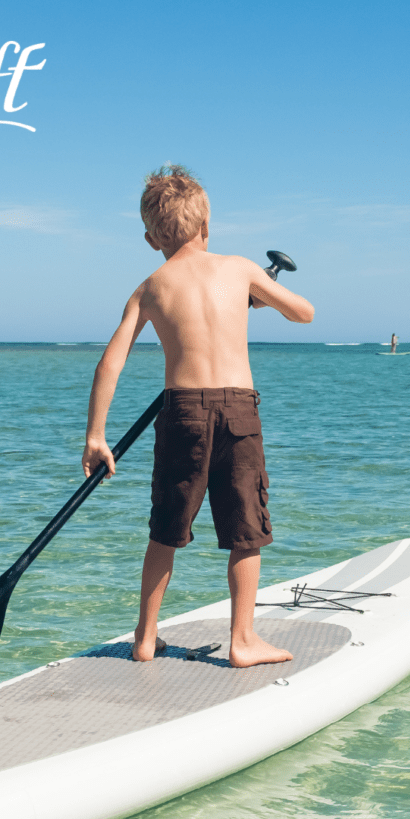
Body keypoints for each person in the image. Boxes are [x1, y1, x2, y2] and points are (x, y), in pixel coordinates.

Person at [82, 166, 314, 666]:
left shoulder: (150, 287)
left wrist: (96, 437)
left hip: (181, 413)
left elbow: (111, 361)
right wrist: (261, 297)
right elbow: (305, 312)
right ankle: (242, 641)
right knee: (246, 530)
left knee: (165, 529)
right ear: (207, 223)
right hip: (237, 409)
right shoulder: (240, 268)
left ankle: (145, 637)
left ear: (150, 239)